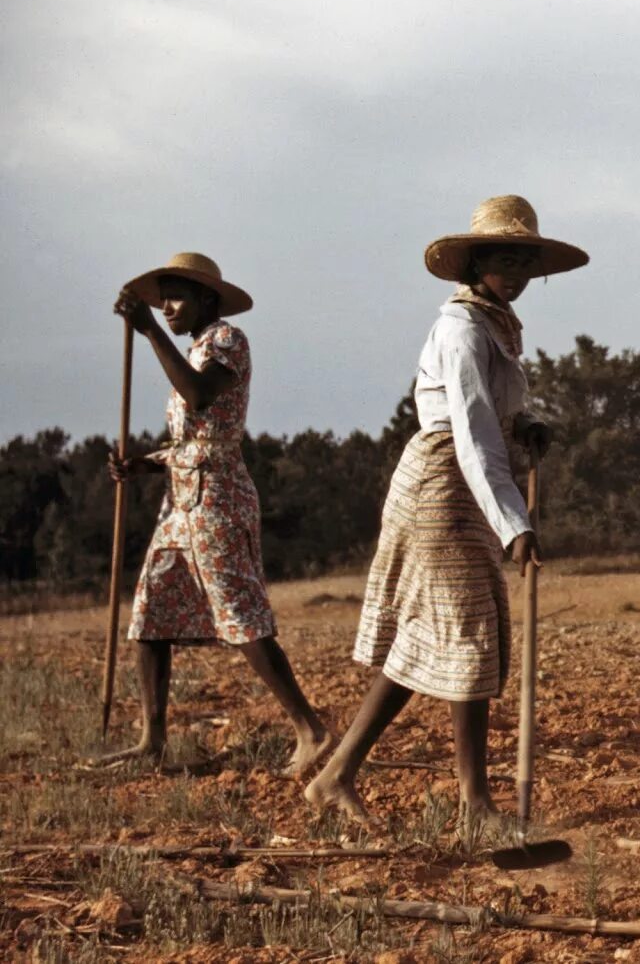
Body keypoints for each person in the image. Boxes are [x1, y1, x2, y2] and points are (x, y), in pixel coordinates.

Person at [304, 195, 587, 829]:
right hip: (443, 485)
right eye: (503, 259)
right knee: (469, 634)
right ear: (475, 262)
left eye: (525, 262)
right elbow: (472, 432)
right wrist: (515, 524)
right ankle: (475, 805)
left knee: (438, 637)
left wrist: (526, 424)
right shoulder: (463, 330)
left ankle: (337, 774)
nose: (515, 273)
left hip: (466, 485)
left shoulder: (494, 325)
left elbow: (495, 415)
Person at [105, 253, 331, 777]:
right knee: (151, 610)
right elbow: (192, 441)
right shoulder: (193, 348)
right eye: (161, 300)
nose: (167, 308)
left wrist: (148, 332)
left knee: (239, 613)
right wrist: (145, 463)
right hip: (180, 500)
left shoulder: (228, 341)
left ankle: (312, 731)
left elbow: (200, 395)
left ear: (208, 298)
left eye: (177, 297)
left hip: (218, 499)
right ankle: (152, 740)